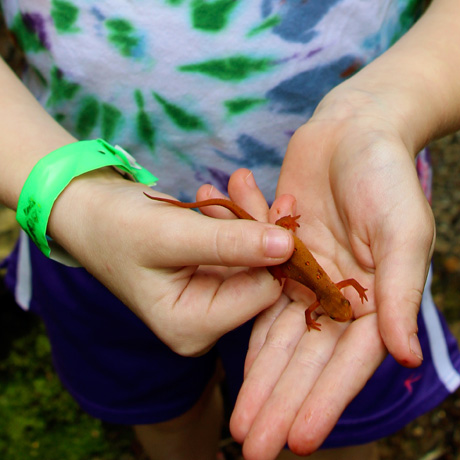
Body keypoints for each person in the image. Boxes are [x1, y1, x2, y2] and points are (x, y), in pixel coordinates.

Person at [1, 1, 460, 459]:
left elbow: (327, 295)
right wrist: (69, 194)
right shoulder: (322, 298)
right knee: (159, 410)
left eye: (333, 308)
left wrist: (383, 108)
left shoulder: (327, 297)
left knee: (330, 428)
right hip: (86, 238)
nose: (333, 307)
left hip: (321, 225)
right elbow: (318, 299)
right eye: (334, 308)